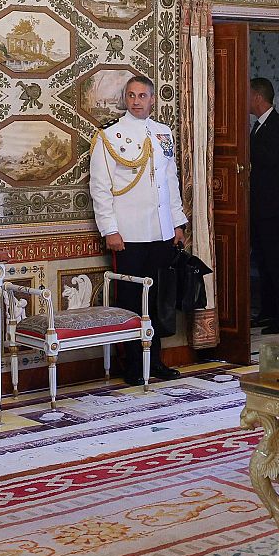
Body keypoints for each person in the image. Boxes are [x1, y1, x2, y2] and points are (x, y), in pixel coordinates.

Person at [88, 74, 185, 383]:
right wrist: (109, 229)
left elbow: (170, 181)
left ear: (152, 99)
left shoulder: (163, 133)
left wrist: (177, 222)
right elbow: (100, 188)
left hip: (161, 231)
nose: (136, 101)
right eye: (131, 95)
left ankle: (154, 360)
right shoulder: (110, 136)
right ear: (125, 99)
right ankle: (132, 366)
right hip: (128, 233)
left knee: (158, 300)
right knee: (130, 300)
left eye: (142, 95)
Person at [248, 77, 279, 334]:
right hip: (257, 204)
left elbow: (271, 159)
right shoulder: (258, 126)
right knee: (262, 258)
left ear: (258, 97)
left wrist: (247, 147)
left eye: (248, 94)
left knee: (275, 258)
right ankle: (266, 310)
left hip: (272, 205)